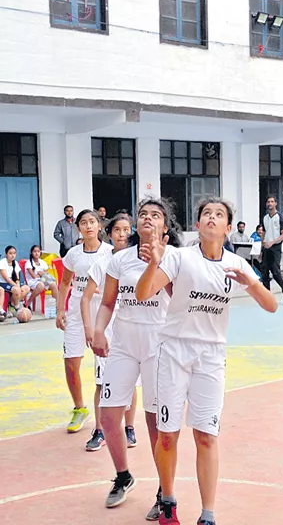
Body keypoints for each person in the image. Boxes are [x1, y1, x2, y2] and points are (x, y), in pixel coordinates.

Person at [136, 197, 277, 525]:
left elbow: (271, 305)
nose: (211, 218)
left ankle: (208, 514)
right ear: (197, 225)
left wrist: (252, 283)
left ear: (228, 228)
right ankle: (167, 500)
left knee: (206, 436)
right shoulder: (179, 257)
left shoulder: (236, 265)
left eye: (219, 215)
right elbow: (144, 293)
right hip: (174, 352)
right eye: (205, 215)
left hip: (211, 357)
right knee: (168, 434)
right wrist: (154, 263)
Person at [92, 197, 182, 519]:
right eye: (142, 214)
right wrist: (99, 330)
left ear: (165, 226)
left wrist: (157, 262)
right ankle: (123, 476)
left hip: (159, 346)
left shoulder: (174, 258)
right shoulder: (120, 259)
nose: (147, 218)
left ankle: (164, 489)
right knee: (107, 415)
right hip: (124, 345)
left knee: (155, 421)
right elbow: (107, 303)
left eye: (155, 215)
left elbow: (181, 302)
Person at [81, 214, 137, 453]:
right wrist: (91, 328)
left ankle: (129, 427)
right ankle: (100, 430)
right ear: (110, 233)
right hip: (105, 329)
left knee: (131, 381)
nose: (122, 234)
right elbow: (85, 298)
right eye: (117, 230)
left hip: (130, 329)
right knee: (101, 382)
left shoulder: (138, 261)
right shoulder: (102, 262)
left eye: (126, 230)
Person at [56, 209, 113, 433]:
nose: (88, 226)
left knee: (103, 366)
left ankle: (107, 415)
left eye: (92, 222)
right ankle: (79, 409)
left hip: (101, 313)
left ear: (99, 226)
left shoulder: (110, 253)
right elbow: (64, 283)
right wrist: (60, 310)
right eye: (83, 223)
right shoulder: (73, 254)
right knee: (71, 361)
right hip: (76, 313)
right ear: (78, 228)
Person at [262, 195, 283, 304]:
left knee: (275, 271)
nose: (270, 203)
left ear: (275, 203)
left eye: (272, 201)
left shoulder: (280, 217)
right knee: (264, 271)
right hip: (266, 247)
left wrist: (272, 242)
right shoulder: (265, 218)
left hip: (275, 246)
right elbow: (263, 232)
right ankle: (267, 295)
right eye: (268, 201)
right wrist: (263, 244)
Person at [0, 246, 30, 315]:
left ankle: (12, 304)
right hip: (4, 283)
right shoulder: (2, 263)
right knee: (16, 290)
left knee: (26, 288)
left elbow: (17, 278)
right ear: (6, 254)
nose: (12, 255)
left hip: (13, 283)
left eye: (14, 253)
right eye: (10, 253)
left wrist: (18, 285)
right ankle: (17, 307)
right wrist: (16, 286)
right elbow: (7, 278)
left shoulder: (15, 263)